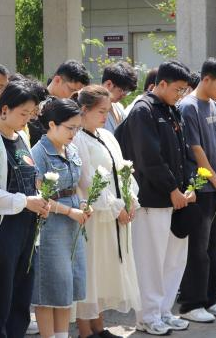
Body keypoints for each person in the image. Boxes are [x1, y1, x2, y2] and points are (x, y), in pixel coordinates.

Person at [115, 60, 193, 336]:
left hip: (176, 199)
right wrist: (172, 188)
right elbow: (148, 157)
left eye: (184, 90)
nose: (180, 95)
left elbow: (183, 152)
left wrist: (188, 186)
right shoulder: (143, 110)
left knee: (172, 260)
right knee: (150, 261)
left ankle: (163, 310)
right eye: (177, 89)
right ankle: (147, 316)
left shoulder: (171, 110)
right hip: (151, 199)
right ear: (161, 84)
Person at [0, 81, 50, 338]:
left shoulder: (22, 138)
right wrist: (25, 202)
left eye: (31, 114)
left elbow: (30, 180)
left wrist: (40, 201)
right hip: (2, 230)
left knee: (21, 296)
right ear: (4, 109)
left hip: (27, 227)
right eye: (23, 113)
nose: (27, 119)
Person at [73, 86, 140, 338]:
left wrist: (130, 199)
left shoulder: (106, 135)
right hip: (94, 215)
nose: (105, 116)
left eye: (107, 111)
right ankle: (85, 330)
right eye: (101, 111)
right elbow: (87, 180)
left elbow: (122, 169)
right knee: (91, 269)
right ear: (84, 110)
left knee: (103, 270)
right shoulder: (78, 139)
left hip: (113, 213)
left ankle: (99, 326)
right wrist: (115, 207)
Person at [177, 58, 216, 325]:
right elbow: (195, 149)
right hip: (201, 188)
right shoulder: (188, 107)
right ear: (207, 79)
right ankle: (192, 303)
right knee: (198, 249)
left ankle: (211, 300)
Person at [30, 98, 90, 338]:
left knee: (67, 284)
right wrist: (69, 211)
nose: (74, 133)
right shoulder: (39, 152)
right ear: (52, 124)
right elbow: (38, 196)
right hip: (51, 224)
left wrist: (83, 205)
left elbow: (75, 186)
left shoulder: (71, 149)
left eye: (77, 128)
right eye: (70, 128)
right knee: (48, 288)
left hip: (72, 223)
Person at [29, 61, 90, 145]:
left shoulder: (72, 105)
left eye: (77, 93)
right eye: (71, 90)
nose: (73, 96)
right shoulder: (34, 100)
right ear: (57, 80)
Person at [101, 62, 138, 133]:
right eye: (122, 90)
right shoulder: (93, 109)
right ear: (109, 84)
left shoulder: (119, 107)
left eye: (127, 92)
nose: (124, 95)